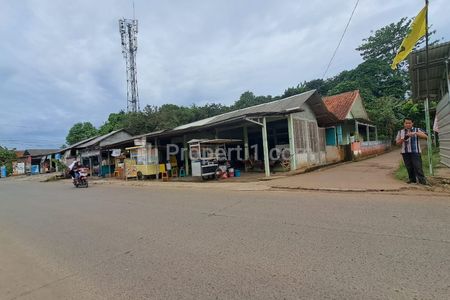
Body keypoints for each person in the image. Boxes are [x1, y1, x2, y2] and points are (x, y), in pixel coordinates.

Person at [395, 118, 428, 185]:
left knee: (418, 166)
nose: (408, 124)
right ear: (404, 124)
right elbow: (397, 143)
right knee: (409, 167)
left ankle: (422, 182)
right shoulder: (400, 132)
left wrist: (415, 133)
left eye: (409, 123)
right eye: (406, 123)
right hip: (405, 152)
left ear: (412, 123)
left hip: (415, 151)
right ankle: (412, 180)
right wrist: (403, 139)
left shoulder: (417, 129)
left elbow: (426, 136)